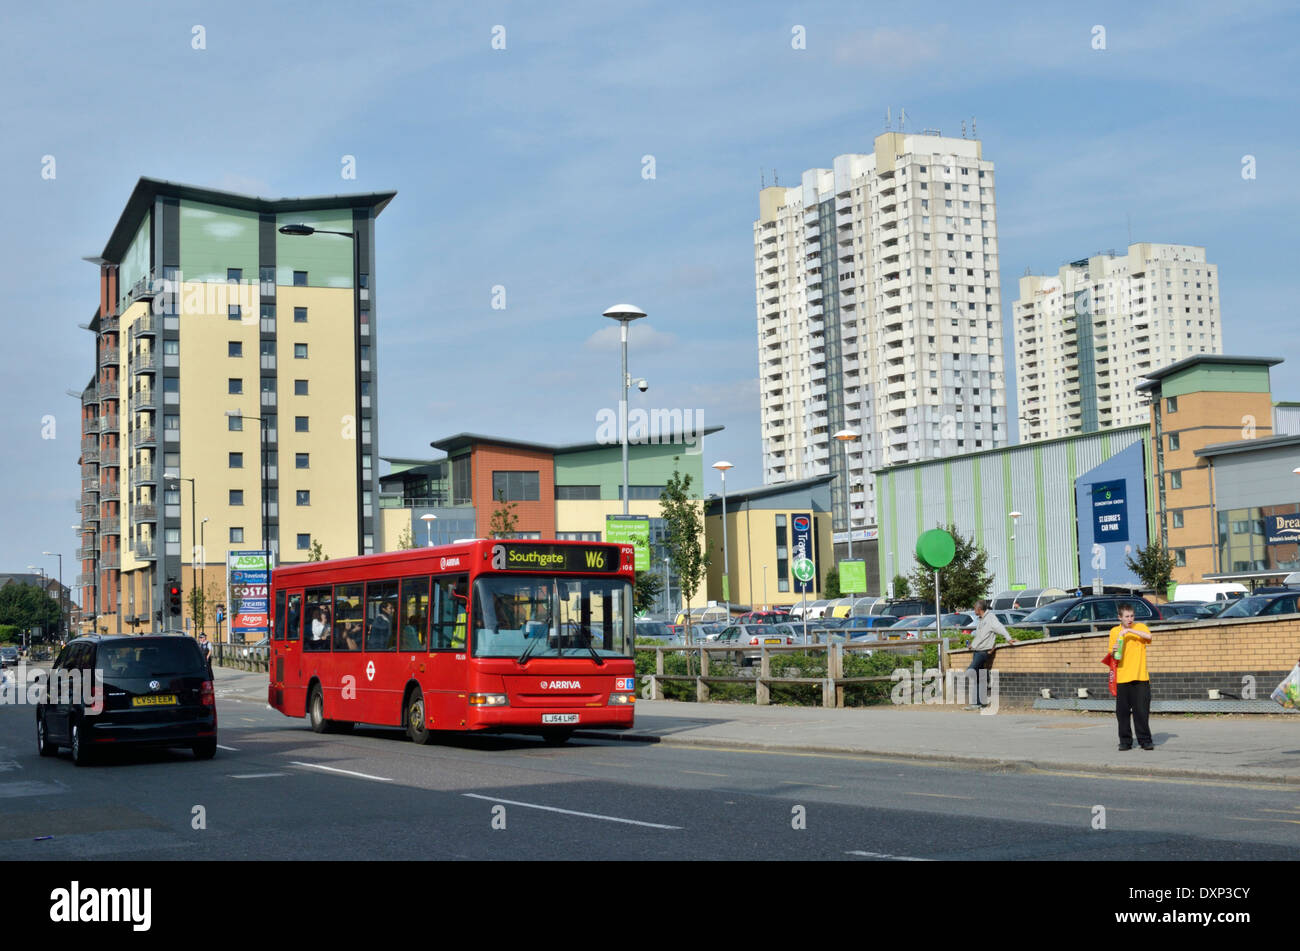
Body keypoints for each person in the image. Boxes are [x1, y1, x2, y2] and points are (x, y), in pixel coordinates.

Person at [1110, 603, 1154, 751]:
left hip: (1140, 676)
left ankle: (1145, 740)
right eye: (1126, 616)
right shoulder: (1114, 631)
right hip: (1122, 677)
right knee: (1122, 713)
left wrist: (1130, 631)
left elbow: (1149, 637)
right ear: (1120, 617)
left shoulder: (1140, 627)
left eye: (1132, 616)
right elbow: (1112, 655)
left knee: (1141, 711)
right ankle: (1125, 741)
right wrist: (1114, 649)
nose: (1130, 619)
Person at [964, 599, 1013, 710]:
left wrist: (1008, 638)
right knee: (977, 677)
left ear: (979, 609)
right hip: (977, 651)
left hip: (983, 652)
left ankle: (986, 685)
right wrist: (973, 644)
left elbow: (1000, 628)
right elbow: (981, 636)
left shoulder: (990, 618)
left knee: (970, 671)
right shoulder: (981, 619)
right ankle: (978, 703)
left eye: (974, 608)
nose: (973, 610)